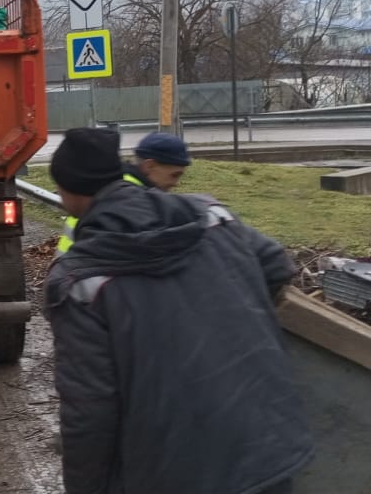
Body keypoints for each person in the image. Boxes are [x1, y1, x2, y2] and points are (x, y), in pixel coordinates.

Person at [44, 127, 313, 494]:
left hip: (173, 470)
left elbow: (90, 411)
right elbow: (275, 266)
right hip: (265, 441)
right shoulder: (212, 216)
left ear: (71, 193)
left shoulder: (81, 282)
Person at [55, 130, 190, 256]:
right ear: (150, 166)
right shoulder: (135, 204)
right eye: (174, 175)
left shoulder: (111, 184)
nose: (176, 183)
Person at [127, 130, 191, 192]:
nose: (175, 184)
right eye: (174, 175)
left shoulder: (129, 187)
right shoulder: (129, 195)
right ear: (149, 166)